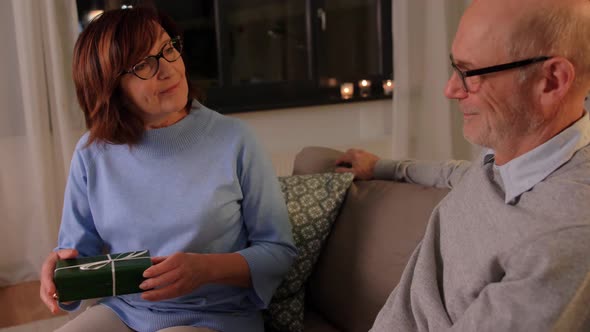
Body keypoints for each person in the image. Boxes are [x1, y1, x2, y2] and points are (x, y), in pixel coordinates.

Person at [335, 0, 590, 331]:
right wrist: (382, 166)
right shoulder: (508, 158)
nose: (451, 89)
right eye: (455, 67)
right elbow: (457, 173)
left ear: (551, 80)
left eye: (470, 72)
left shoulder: (562, 236)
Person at [39, 7, 296, 332]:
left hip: (215, 316)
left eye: (168, 49)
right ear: (109, 86)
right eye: (142, 64)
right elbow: (80, 256)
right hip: (124, 310)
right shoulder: (92, 153)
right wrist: (59, 274)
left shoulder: (235, 140)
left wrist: (205, 269)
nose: (168, 69)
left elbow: (279, 251)